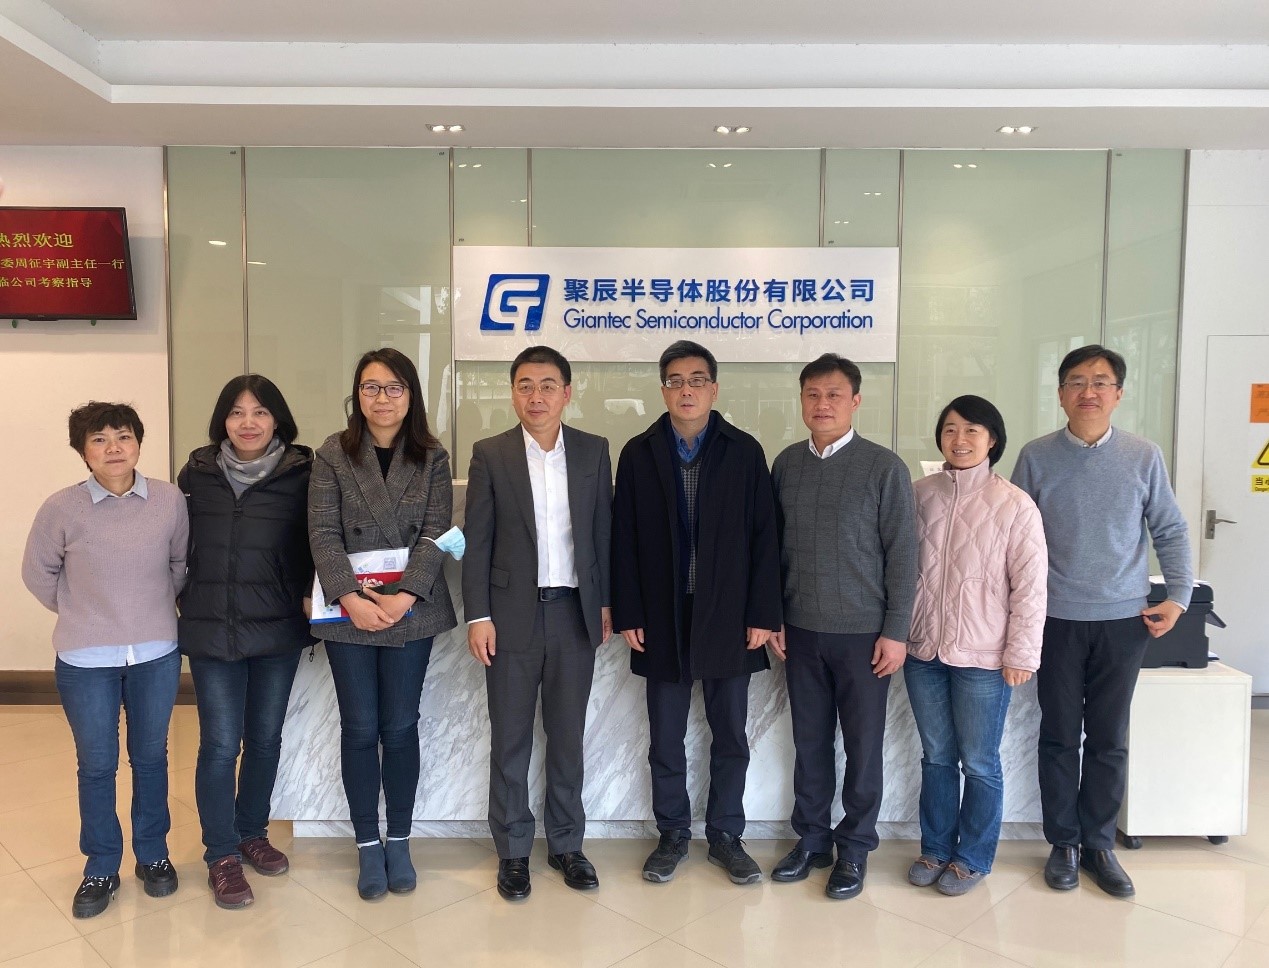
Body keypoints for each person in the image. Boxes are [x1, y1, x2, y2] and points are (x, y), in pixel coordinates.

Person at [1012, 344, 1193, 899]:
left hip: (1124, 620)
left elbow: (1169, 528)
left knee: (1109, 737)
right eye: (1076, 381)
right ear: (1060, 393)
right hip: (1056, 619)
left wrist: (1179, 595)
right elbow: (1016, 538)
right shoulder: (1036, 457)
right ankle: (1063, 843)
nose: (1088, 391)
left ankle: (1099, 844)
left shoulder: (1143, 456)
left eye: (1100, 382)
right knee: (1060, 735)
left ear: (1118, 393)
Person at [611, 340, 781, 885]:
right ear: (663, 390)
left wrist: (762, 613)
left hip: (729, 616)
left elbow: (765, 538)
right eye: (676, 381)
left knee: (730, 734)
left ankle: (726, 835)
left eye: (697, 380)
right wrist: (630, 610)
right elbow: (623, 539)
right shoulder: (639, 453)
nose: (687, 390)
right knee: (665, 736)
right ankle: (673, 834)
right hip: (661, 616)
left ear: (714, 388)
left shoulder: (744, 451)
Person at [21, 402, 188, 919]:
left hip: (156, 653)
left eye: (123, 436)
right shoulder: (61, 507)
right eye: (99, 439)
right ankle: (100, 866)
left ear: (138, 443)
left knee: (151, 758)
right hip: (85, 657)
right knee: (96, 765)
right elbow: (37, 574)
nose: (113, 448)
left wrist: (148, 611)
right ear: (82, 451)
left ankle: (153, 855)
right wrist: (82, 612)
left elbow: (179, 565)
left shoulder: (168, 500)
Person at [463, 345, 613, 901]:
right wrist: (478, 614)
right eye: (525, 385)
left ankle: (568, 844)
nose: (536, 396)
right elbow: (477, 541)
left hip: (575, 614)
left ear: (567, 393)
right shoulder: (491, 454)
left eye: (548, 385)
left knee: (568, 737)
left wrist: (606, 602)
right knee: (511, 738)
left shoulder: (594, 450)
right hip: (509, 618)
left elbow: (603, 533)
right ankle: (513, 850)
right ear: (513, 393)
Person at [309, 348, 459, 900]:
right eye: (370, 388)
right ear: (357, 396)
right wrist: (350, 597)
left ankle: (399, 839)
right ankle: (367, 844)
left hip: (408, 610)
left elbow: (437, 530)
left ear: (411, 395)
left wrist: (404, 598)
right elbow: (323, 531)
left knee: (399, 727)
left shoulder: (433, 456)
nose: (382, 398)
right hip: (349, 610)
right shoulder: (333, 453)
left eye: (394, 387)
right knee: (359, 728)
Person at [769, 353, 918, 900]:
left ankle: (854, 847)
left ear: (855, 400)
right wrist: (774, 617)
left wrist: (896, 631)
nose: (822, 404)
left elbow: (903, 555)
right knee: (809, 743)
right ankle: (812, 840)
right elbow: (771, 550)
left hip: (864, 637)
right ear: (801, 400)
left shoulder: (883, 467)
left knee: (862, 746)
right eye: (812, 394)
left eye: (833, 394)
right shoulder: (786, 464)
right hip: (801, 631)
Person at [177, 375, 314, 909]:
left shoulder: (303, 474)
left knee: (264, 739)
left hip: (277, 627)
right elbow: (175, 545)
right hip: (212, 628)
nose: (248, 423)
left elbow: (320, 542)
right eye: (236, 412)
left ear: (277, 419)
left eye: (259, 412)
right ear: (223, 421)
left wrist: (311, 595)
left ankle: (252, 831)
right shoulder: (197, 473)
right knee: (218, 744)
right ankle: (221, 854)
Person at [904, 395, 1047, 895]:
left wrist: (1021, 654)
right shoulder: (919, 494)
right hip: (923, 651)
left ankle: (973, 857)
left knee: (980, 762)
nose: (959, 439)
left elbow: (1030, 587)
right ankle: (935, 848)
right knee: (936, 756)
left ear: (992, 440)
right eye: (950, 429)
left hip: (984, 658)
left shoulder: (1015, 504)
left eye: (972, 430)